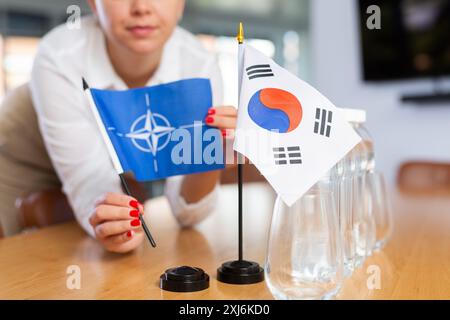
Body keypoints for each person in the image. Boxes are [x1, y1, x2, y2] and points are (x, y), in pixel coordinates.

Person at [27, 0, 236, 253]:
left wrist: (209, 157)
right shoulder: (59, 56)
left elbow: (187, 214)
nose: (141, 8)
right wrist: (111, 222)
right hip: (27, 154)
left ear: (181, 4)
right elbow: (89, 183)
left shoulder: (199, 65)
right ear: (93, 4)